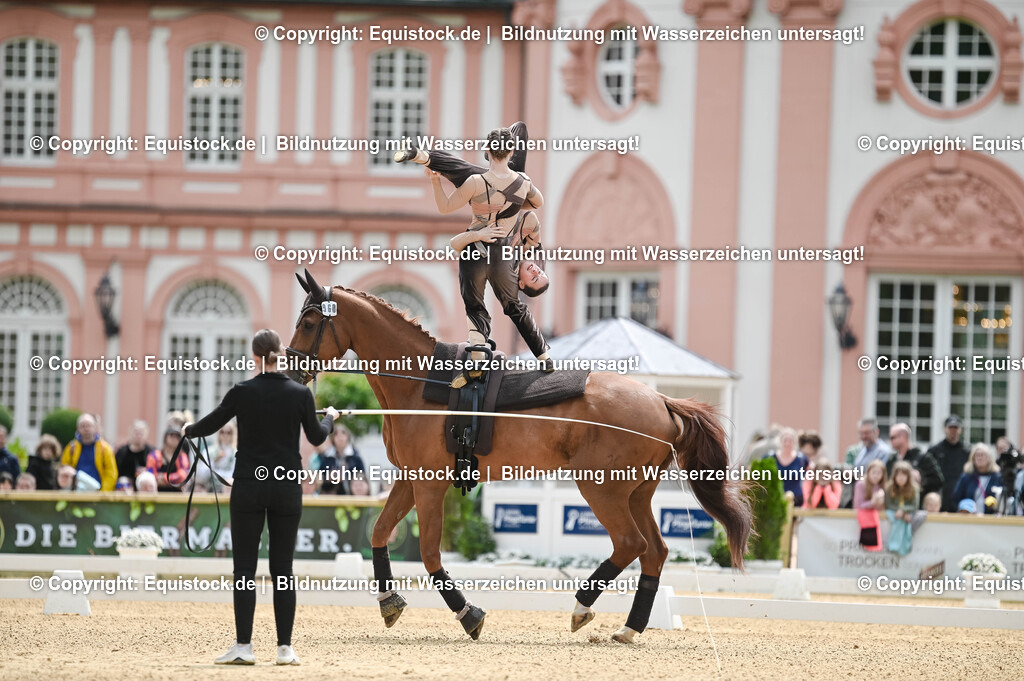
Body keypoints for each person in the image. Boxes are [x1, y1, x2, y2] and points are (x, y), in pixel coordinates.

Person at [183, 329, 339, 666]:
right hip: (286, 486)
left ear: (255, 356)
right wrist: (329, 416)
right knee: (283, 568)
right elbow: (316, 437)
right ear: (282, 352)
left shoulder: (242, 392)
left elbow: (211, 424)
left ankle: (244, 646)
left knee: (244, 569)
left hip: (249, 485)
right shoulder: (300, 393)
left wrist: (188, 431)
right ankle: (285, 648)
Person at [398, 124, 553, 368]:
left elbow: (446, 208)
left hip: (476, 247)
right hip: (501, 253)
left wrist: (436, 182)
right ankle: (543, 356)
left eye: (535, 277)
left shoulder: (474, 182)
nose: (536, 270)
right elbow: (537, 204)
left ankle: (423, 156)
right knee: (514, 307)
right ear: (512, 154)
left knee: (475, 304)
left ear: (488, 152)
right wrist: (516, 194)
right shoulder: (523, 184)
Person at [885, 423, 943, 507]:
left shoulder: (923, 458)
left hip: (916, 508)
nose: (890, 441)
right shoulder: (891, 460)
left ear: (903, 437)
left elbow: (939, 481)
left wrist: (921, 479)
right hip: (895, 508)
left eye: (892, 437)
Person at [61, 414, 118, 491]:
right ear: (78, 428)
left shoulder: (104, 448)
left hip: (98, 492)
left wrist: (103, 492)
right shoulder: (71, 447)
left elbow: (111, 473)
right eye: (82, 426)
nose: (86, 429)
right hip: (76, 492)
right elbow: (65, 469)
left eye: (88, 426)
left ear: (95, 427)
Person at [927, 415, 971, 512]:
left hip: (961, 499)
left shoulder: (967, 452)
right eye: (950, 427)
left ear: (960, 430)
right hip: (939, 499)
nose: (953, 431)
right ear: (945, 429)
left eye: (956, 428)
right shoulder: (934, 451)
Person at [952, 443, 1002, 516]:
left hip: (991, 519)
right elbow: (956, 499)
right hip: (970, 519)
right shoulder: (966, 477)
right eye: (977, 455)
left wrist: (994, 505)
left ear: (989, 459)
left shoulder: (997, 478)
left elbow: (1002, 500)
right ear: (973, 459)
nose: (979, 458)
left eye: (982, 455)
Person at [763, 427, 807, 506]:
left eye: (790, 441)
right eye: (785, 440)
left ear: (795, 443)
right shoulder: (770, 457)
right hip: (774, 499)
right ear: (780, 441)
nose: (787, 443)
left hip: (795, 499)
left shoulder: (801, 459)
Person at [885, 461, 919, 555]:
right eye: (898, 475)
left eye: (904, 475)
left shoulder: (914, 488)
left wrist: (903, 511)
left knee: (907, 522)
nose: (901, 478)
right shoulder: (890, 487)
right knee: (898, 521)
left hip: (907, 513)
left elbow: (914, 505)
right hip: (894, 513)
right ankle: (893, 545)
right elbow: (888, 504)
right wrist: (899, 511)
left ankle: (905, 546)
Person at [854, 460, 886, 551]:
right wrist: (873, 502)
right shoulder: (860, 484)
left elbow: (880, 508)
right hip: (863, 522)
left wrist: (881, 502)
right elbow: (858, 505)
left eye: (879, 473)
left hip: (876, 522)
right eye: (874, 472)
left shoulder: (881, 487)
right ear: (868, 472)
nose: (876, 476)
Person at [146, 428, 191, 492]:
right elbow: (150, 477)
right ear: (165, 437)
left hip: (177, 496)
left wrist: (163, 477)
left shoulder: (182, 457)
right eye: (171, 435)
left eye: (177, 436)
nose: (174, 438)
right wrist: (174, 482)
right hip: (157, 494)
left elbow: (183, 477)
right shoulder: (154, 455)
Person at [196, 422, 237, 493]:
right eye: (222, 432)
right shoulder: (209, 451)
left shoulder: (236, 453)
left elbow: (235, 473)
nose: (225, 435)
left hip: (229, 489)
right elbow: (202, 474)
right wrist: (214, 461)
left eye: (228, 432)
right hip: (211, 488)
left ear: (232, 435)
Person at [115, 420, 154, 486]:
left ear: (146, 433)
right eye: (136, 432)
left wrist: (147, 471)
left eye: (141, 432)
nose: (138, 435)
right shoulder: (121, 452)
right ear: (130, 432)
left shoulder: (152, 452)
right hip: (125, 489)